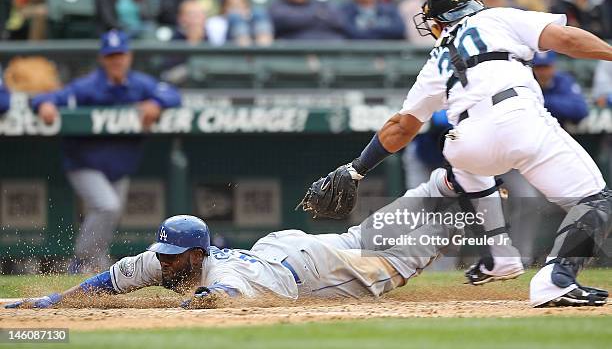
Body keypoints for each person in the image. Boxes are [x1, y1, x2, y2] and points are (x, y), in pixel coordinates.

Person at [300, 0, 612, 308]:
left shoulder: (437, 59)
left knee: (464, 165)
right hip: (520, 117)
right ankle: (556, 279)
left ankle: (501, 254)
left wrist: (357, 169)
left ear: (438, 20)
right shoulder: (498, 17)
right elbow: (566, 39)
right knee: (595, 200)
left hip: (466, 139)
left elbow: (402, 127)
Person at [3, 168, 484, 309]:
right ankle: (438, 187)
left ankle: (459, 205)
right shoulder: (164, 257)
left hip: (305, 270)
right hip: (285, 251)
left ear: (196, 253)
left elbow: (225, 295)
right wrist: (50, 301)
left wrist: (197, 303)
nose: (166, 265)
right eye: (164, 255)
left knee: (390, 264)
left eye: (175, 258)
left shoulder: (220, 271)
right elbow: (107, 280)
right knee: (363, 236)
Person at [30, 30, 181, 273]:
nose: (117, 61)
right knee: (107, 206)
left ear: (129, 56)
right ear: (103, 59)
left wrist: (156, 103)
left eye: (120, 55)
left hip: (119, 167)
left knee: (108, 215)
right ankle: (79, 263)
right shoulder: (89, 85)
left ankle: (97, 267)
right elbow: (48, 98)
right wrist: (45, 104)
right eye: (111, 56)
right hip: (84, 163)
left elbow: (172, 94)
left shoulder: (139, 84)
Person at [268, 0, 346, 40]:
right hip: (297, 54)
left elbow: (339, 21)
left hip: (335, 52)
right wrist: (318, 15)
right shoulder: (277, 7)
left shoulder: (320, 3)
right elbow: (289, 21)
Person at [532, 51, 589, 125]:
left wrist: (543, 102)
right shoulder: (527, 83)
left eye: (546, 67)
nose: (542, 72)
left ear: (553, 66)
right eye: (538, 67)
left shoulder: (562, 80)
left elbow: (581, 110)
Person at [207, 0, 274, 47]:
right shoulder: (216, 22)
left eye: (239, 5)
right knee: (235, 17)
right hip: (233, 54)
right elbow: (217, 44)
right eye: (231, 5)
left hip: (257, 48)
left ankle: (263, 51)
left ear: (246, 7)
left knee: (259, 13)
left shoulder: (253, 19)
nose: (236, 9)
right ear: (224, 7)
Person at [340, 0, 405, 40]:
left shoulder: (389, 9)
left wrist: (367, 30)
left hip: (386, 52)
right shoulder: (344, 10)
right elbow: (353, 33)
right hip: (357, 52)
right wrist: (383, 32)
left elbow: (398, 30)